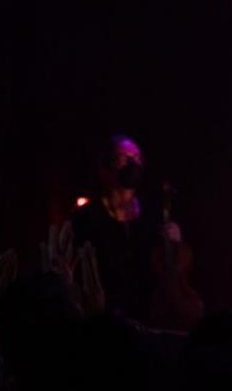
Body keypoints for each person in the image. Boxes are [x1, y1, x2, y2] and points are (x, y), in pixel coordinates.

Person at [72, 134, 200, 327]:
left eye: (137, 158)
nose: (133, 163)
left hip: (150, 313)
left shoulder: (153, 214)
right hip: (105, 318)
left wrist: (175, 242)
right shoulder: (88, 217)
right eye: (125, 157)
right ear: (106, 166)